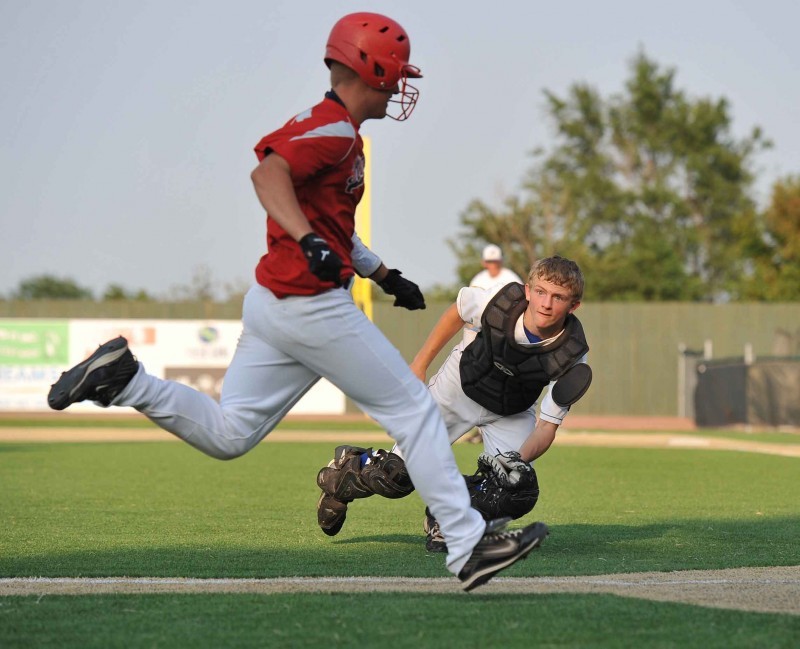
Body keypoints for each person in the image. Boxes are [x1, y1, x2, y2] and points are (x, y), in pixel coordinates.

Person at [46, 12, 547, 592]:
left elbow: (333, 226)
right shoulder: (334, 130)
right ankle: (467, 549)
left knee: (231, 433)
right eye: (396, 74)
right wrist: (308, 241)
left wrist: (383, 274)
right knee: (417, 415)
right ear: (373, 70)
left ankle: (126, 381)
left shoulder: (338, 134)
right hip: (311, 306)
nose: (400, 86)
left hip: (273, 303)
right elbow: (268, 174)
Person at [316, 255, 590, 552]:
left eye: (558, 297)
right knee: (395, 477)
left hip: (511, 412)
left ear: (573, 306)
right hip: (459, 388)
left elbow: (547, 427)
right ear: (527, 291)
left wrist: (515, 462)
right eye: (540, 291)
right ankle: (347, 470)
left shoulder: (572, 355)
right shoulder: (500, 303)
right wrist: (419, 366)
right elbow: (458, 311)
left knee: (516, 488)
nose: (546, 304)